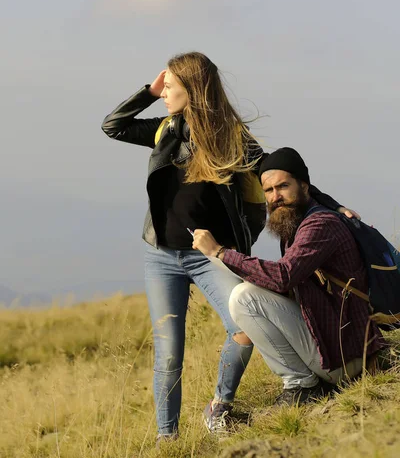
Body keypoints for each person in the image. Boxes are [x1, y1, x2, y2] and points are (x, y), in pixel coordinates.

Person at [102, 54, 353, 439]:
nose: (164, 93)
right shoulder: (165, 130)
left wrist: (331, 205)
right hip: (161, 256)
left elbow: (279, 172)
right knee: (168, 354)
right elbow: (113, 126)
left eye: (170, 87)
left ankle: (219, 407)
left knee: (242, 327)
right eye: (163, 88)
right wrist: (148, 93)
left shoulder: (231, 138)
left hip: (209, 254)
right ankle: (166, 437)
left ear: (193, 90)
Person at [193, 147, 385, 406]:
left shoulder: (320, 225)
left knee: (244, 297)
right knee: (253, 290)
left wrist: (220, 252)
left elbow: (283, 276)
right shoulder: (296, 223)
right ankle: (303, 382)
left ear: (304, 186)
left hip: (348, 359)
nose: (276, 197)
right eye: (269, 191)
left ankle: (301, 385)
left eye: (283, 186)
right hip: (338, 347)